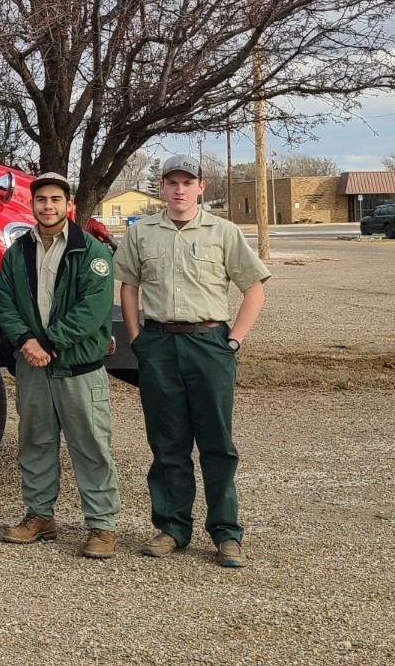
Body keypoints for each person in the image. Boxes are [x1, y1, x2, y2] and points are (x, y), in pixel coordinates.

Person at [113, 154, 269, 569]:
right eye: (171, 182)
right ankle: (171, 528)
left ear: (202, 187)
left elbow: (254, 289)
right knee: (167, 443)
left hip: (209, 344)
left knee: (217, 443)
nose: (179, 189)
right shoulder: (142, 233)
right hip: (160, 344)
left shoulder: (224, 231)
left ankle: (226, 533)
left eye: (187, 182)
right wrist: (136, 339)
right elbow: (128, 287)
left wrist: (233, 341)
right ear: (161, 188)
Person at [0, 172, 122, 559]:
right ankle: (39, 516)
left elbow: (92, 310)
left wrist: (48, 342)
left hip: (78, 368)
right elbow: (3, 301)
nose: (47, 206)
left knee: (91, 446)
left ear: (69, 206)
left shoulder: (92, 253)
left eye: (55, 200)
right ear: (32, 205)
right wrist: (25, 341)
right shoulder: (17, 252)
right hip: (33, 367)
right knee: (35, 443)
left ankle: (101, 524)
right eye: (41, 200)